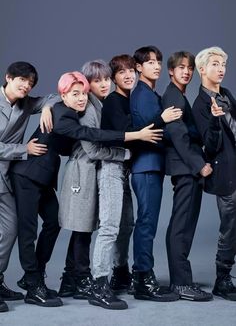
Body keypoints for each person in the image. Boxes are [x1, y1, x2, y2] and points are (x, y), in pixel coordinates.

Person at [10, 71, 162, 308]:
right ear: (65, 96)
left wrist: (49, 105)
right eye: (75, 94)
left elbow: (49, 98)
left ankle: (34, 276)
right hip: (26, 175)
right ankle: (33, 283)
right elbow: (91, 135)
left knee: (53, 223)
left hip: (44, 176)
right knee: (28, 230)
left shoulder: (65, 109)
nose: (82, 98)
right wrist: (136, 136)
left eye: (83, 94)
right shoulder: (63, 116)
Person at [58, 60, 129, 300]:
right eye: (97, 80)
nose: (104, 84)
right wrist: (124, 154)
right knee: (82, 229)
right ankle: (82, 278)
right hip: (82, 172)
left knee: (83, 228)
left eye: (107, 79)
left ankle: (71, 281)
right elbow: (93, 151)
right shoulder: (88, 106)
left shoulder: (98, 104)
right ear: (88, 83)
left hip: (88, 171)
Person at [0, 61, 57, 312]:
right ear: (8, 78)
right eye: (22, 80)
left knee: (10, 230)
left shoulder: (25, 103)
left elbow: (56, 96)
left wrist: (45, 107)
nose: (26, 86)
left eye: (31, 83)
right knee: (10, 230)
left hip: (6, 176)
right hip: (10, 165)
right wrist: (25, 149)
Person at [129, 46, 182, 302]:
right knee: (147, 223)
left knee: (146, 222)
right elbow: (142, 128)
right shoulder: (141, 93)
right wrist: (162, 118)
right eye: (150, 62)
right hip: (146, 165)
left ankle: (140, 276)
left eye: (159, 61)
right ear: (139, 67)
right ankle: (143, 279)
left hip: (152, 165)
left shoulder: (150, 92)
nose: (157, 66)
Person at [162, 51, 213, 301]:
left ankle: (180, 280)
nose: (187, 72)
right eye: (181, 67)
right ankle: (181, 284)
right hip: (185, 168)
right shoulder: (172, 96)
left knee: (182, 223)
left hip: (186, 167)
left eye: (190, 68)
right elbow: (178, 135)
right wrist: (198, 165)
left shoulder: (179, 95)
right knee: (182, 225)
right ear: (171, 71)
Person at [88, 54, 137, 310]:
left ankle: (120, 272)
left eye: (132, 71)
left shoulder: (129, 100)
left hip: (124, 169)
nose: (128, 76)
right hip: (110, 168)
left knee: (127, 223)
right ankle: (99, 284)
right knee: (109, 226)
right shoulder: (109, 104)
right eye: (122, 72)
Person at [193, 46, 236, 301]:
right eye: (215, 64)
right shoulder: (200, 103)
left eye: (223, 65)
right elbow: (210, 145)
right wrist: (214, 121)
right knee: (230, 226)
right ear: (202, 69)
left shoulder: (227, 94)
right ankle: (222, 279)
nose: (221, 69)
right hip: (225, 173)